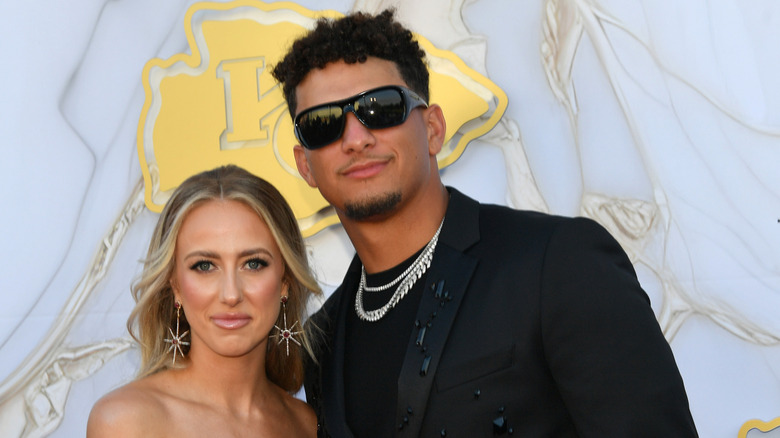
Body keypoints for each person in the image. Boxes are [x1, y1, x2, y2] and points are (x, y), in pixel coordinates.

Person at [271, 9, 698, 437]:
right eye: (323, 124)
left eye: (381, 109)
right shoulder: (320, 341)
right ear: (305, 165)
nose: (355, 138)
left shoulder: (556, 263)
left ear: (434, 128)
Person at [87, 165, 320, 437]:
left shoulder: (304, 423)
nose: (231, 295)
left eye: (253, 264)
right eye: (205, 266)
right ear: (174, 285)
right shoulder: (126, 421)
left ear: (285, 281)